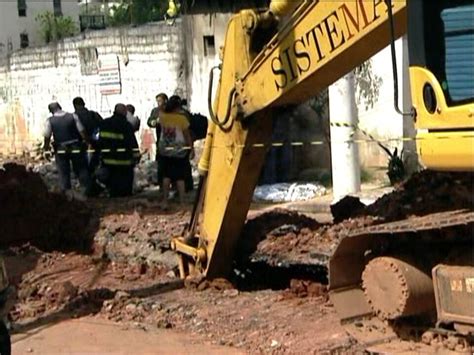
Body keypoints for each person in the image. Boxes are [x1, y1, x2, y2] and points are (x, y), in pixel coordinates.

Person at [43, 102, 90, 196]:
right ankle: (86, 189)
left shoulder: (50, 120)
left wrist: (46, 148)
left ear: (51, 111)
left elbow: (47, 136)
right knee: (81, 168)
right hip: (75, 146)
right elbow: (82, 130)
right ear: (60, 107)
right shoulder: (73, 116)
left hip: (61, 149)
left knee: (63, 170)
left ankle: (66, 191)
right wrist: (87, 142)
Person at [158, 95, 194, 208]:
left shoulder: (162, 117)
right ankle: (182, 202)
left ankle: (165, 201)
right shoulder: (182, 119)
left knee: (166, 176)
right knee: (180, 177)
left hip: (165, 150)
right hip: (179, 151)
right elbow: (187, 135)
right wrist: (191, 148)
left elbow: (159, 115)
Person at [97, 104, 140, 197]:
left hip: (108, 160)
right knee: (125, 183)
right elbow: (132, 142)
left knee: (112, 182)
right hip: (124, 161)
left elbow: (99, 141)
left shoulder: (104, 123)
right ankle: (125, 197)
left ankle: (113, 195)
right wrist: (137, 156)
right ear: (124, 112)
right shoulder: (126, 125)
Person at [72, 97, 103, 173]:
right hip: (95, 142)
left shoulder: (73, 117)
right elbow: (103, 126)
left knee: (82, 167)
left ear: (74, 105)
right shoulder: (93, 114)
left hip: (80, 143)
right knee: (94, 164)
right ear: (84, 104)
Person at [147, 93, 168, 189]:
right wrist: (155, 122)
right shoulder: (156, 111)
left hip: (173, 140)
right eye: (157, 101)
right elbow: (150, 122)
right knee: (161, 163)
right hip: (161, 141)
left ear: (165, 100)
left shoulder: (170, 110)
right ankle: (161, 185)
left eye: (160, 100)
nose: (158, 103)